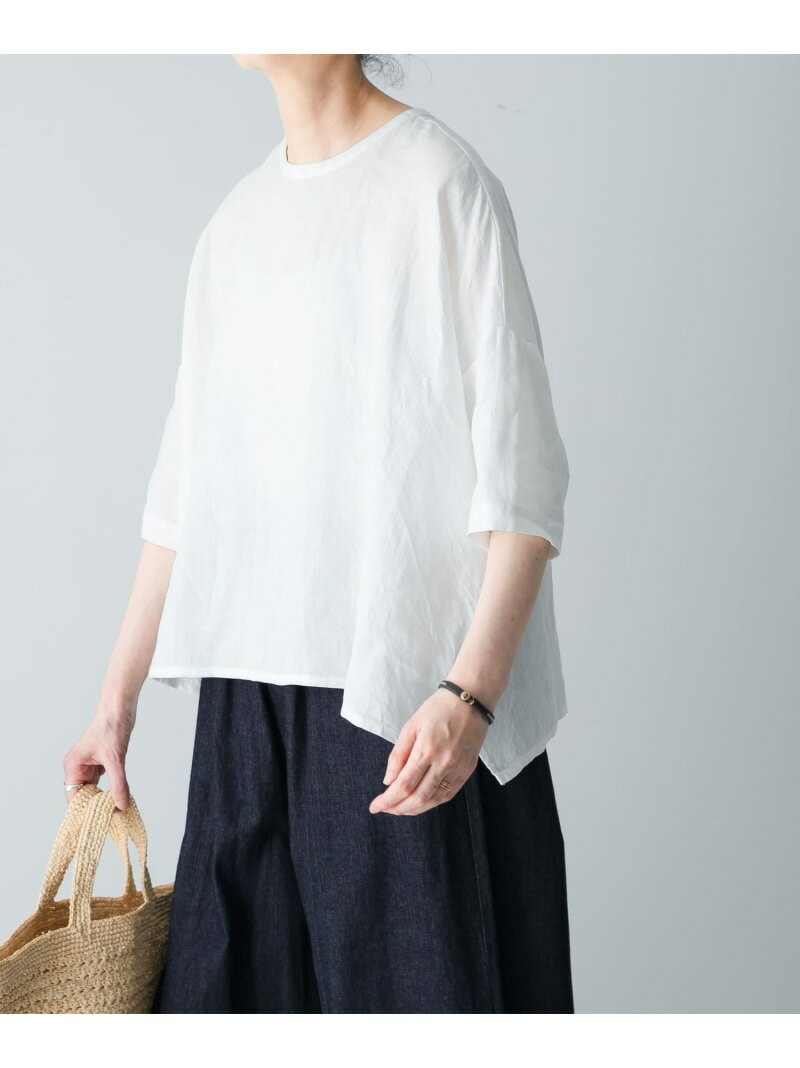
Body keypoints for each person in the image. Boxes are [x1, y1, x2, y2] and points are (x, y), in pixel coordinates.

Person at [62, 54, 574, 1014]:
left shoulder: (441, 185)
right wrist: (114, 703)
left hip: (404, 696)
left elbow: (524, 481)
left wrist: (470, 695)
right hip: (245, 707)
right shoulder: (235, 227)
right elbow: (184, 494)